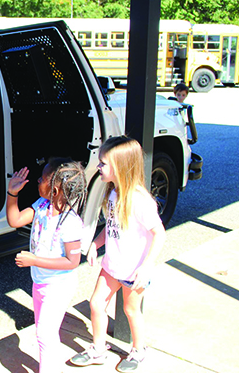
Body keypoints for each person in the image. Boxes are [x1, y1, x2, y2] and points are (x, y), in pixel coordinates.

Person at [70, 136, 166, 372]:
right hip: (112, 265)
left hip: (135, 270)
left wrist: (147, 266)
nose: (99, 167)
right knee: (96, 304)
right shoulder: (113, 194)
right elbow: (112, 227)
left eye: (103, 163)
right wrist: (96, 244)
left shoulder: (140, 200)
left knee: (131, 310)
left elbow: (160, 233)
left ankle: (138, 351)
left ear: (120, 166)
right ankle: (99, 349)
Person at [7, 158, 88, 373]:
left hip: (58, 286)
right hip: (40, 282)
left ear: (56, 187)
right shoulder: (41, 205)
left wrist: (34, 260)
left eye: (42, 179)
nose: (38, 181)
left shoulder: (70, 222)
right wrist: (12, 193)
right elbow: (15, 220)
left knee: (45, 334)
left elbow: (73, 261)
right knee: (45, 332)